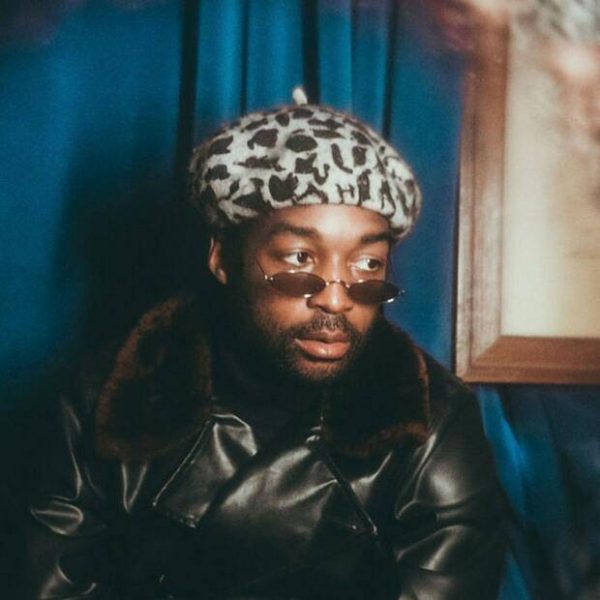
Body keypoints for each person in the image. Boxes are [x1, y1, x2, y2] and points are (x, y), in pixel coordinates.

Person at [22, 91, 507, 599]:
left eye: (367, 265)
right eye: (300, 258)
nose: (336, 299)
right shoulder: (98, 399)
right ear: (222, 259)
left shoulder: (433, 422)